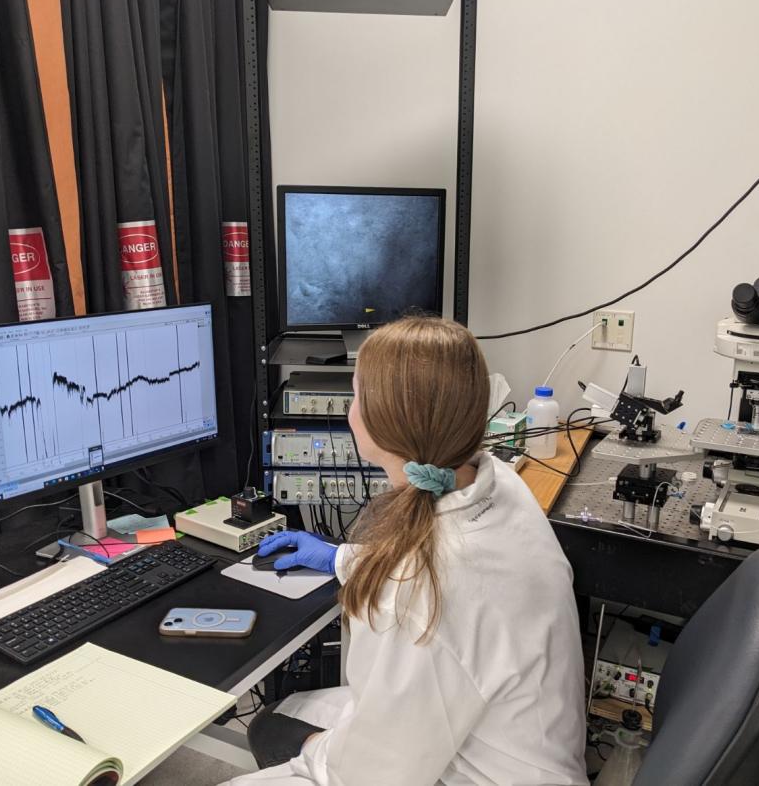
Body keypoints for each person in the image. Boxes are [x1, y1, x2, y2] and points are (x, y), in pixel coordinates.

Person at [227, 317, 587, 785]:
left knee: (283, 739)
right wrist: (343, 558)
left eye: (356, 396)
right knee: (278, 720)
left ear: (381, 422)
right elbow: (465, 572)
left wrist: (315, 751)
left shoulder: (421, 590)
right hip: (522, 750)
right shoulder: (500, 482)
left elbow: (372, 774)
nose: (351, 410)